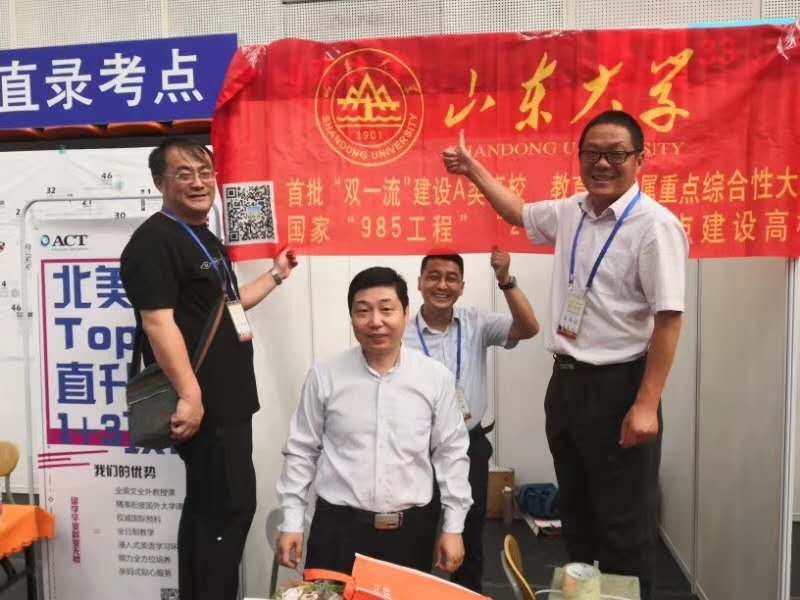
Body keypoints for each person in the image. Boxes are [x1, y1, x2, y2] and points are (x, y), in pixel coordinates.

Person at [443, 110, 688, 600]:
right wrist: (472, 170)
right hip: (568, 383)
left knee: (624, 523)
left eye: (616, 154)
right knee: (577, 511)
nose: (602, 163)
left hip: (620, 386)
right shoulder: (572, 210)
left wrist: (646, 403)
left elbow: (668, 319)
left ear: (640, 159)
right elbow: (518, 212)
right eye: (592, 153)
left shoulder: (655, 226)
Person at [120, 138, 297, 600]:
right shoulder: (153, 242)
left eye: (204, 172)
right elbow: (157, 323)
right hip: (206, 406)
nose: (198, 182)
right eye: (184, 174)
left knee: (212, 511)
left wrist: (277, 275)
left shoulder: (202, 236)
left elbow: (227, 305)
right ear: (159, 182)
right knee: (226, 509)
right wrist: (191, 395)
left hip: (229, 402)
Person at [276, 267, 472, 576]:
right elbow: (301, 450)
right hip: (337, 530)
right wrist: (291, 521)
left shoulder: (434, 378)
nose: (375, 321)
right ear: (352, 318)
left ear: (405, 313)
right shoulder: (325, 375)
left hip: (410, 534)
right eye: (363, 311)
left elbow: (451, 454)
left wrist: (453, 527)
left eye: (386, 309)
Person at [403, 250, 538, 592]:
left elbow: (529, 328)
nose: (442, 285)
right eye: (433, 276)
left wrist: (505, 280)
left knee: (469, 534)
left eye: (451, 278)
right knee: (416, 534)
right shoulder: (401, 333)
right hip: (416, 448)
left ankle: (466, 594)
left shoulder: (476, 323)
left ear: (461, 287)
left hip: (468, 445)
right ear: (419, 283)